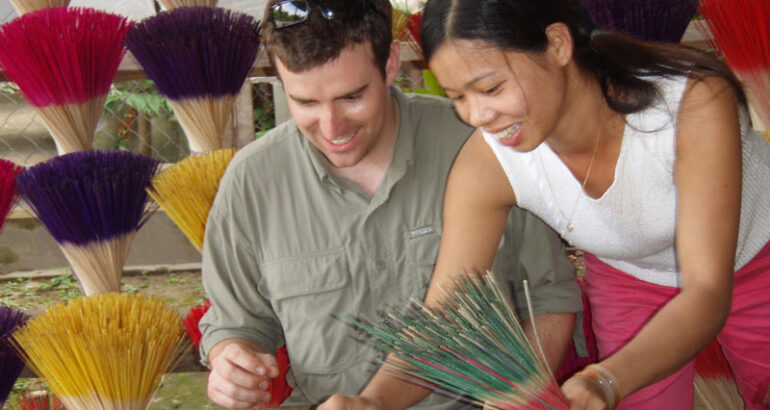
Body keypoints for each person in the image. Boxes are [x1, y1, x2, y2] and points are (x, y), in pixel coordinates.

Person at [324, 0, 770, 409]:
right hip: (629, 274)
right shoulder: (487, 165)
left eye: (491, 88)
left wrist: (606, 379)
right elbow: (447, 316)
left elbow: (707, 292)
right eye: (459, 98)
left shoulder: (687, 106)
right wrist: (374, 403)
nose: (477, 117)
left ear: (557, 44)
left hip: (753, 261)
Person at [197, 0, 584, 408]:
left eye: (352, 96)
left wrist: (520, 395)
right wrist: (230, 362)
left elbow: (549, 295)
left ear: (390, 64)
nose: (332, 128)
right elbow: (234, 324)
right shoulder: (252, 182)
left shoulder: (480, 144)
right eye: (305, 103)